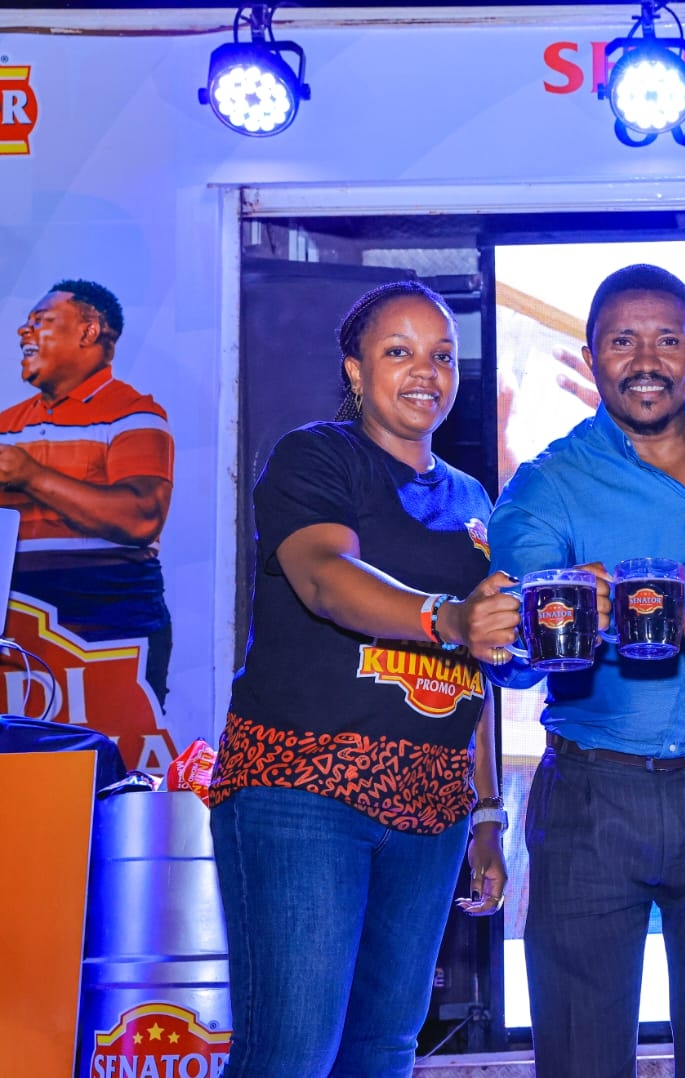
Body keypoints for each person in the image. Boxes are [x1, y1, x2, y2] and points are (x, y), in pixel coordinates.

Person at [487, 263, 685, 1077]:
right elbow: (508, 661)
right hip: (594, 796)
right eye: (623, 341)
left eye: (667, 340)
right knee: (580, 1059)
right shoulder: (546, 486)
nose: (647, 360)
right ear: (591, 357)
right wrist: (561, 618)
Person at [209, 281, 520, 1077]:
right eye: (399, 351)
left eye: (442, 355)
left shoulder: (473, 499)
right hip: (305, 791)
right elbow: (324, 577)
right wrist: (447, 617)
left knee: (383, 1050)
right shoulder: (318, 456)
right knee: (292, 1054)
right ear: (354, 369)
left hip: (432, 807)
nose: (426, 372)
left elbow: (478, 665)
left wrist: (487, 814)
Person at [2, 280, 174, 726]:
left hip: (108, 625)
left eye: (41, 322)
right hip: (17, 628)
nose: (23, 332)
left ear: (89, 331)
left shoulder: (133, 414)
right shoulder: (8, 425)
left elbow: (141, 519)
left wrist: (32, 477)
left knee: (110, 751)